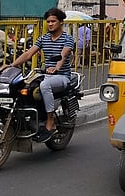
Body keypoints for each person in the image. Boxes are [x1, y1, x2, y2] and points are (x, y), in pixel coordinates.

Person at [5, 8, 75, 142]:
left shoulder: (68, 38)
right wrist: (12, 65)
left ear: (61, 22)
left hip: (62, 76)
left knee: (44, 85)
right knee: (26, 87)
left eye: (53, 21)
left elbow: (64, 54)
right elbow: (28, 54)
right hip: (46, 74)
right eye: (48, 21)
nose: (50, 24)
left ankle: (50, 122)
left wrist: (56, 67)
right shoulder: (44, 38)